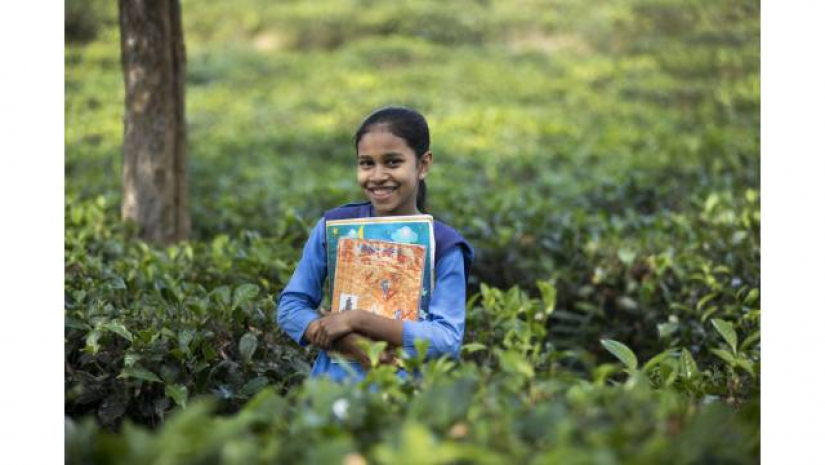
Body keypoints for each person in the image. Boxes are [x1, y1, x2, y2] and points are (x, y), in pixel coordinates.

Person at [277, 106, 474, 382]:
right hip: (332, 389)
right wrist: (350, 343)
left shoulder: (443, 245)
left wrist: (358, 319)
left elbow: (447, 340)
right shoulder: (333, 228)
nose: (378, 175)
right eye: (366, 163)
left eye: (393, 162)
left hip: (405, 394)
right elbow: (291, 306)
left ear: (423, 164)